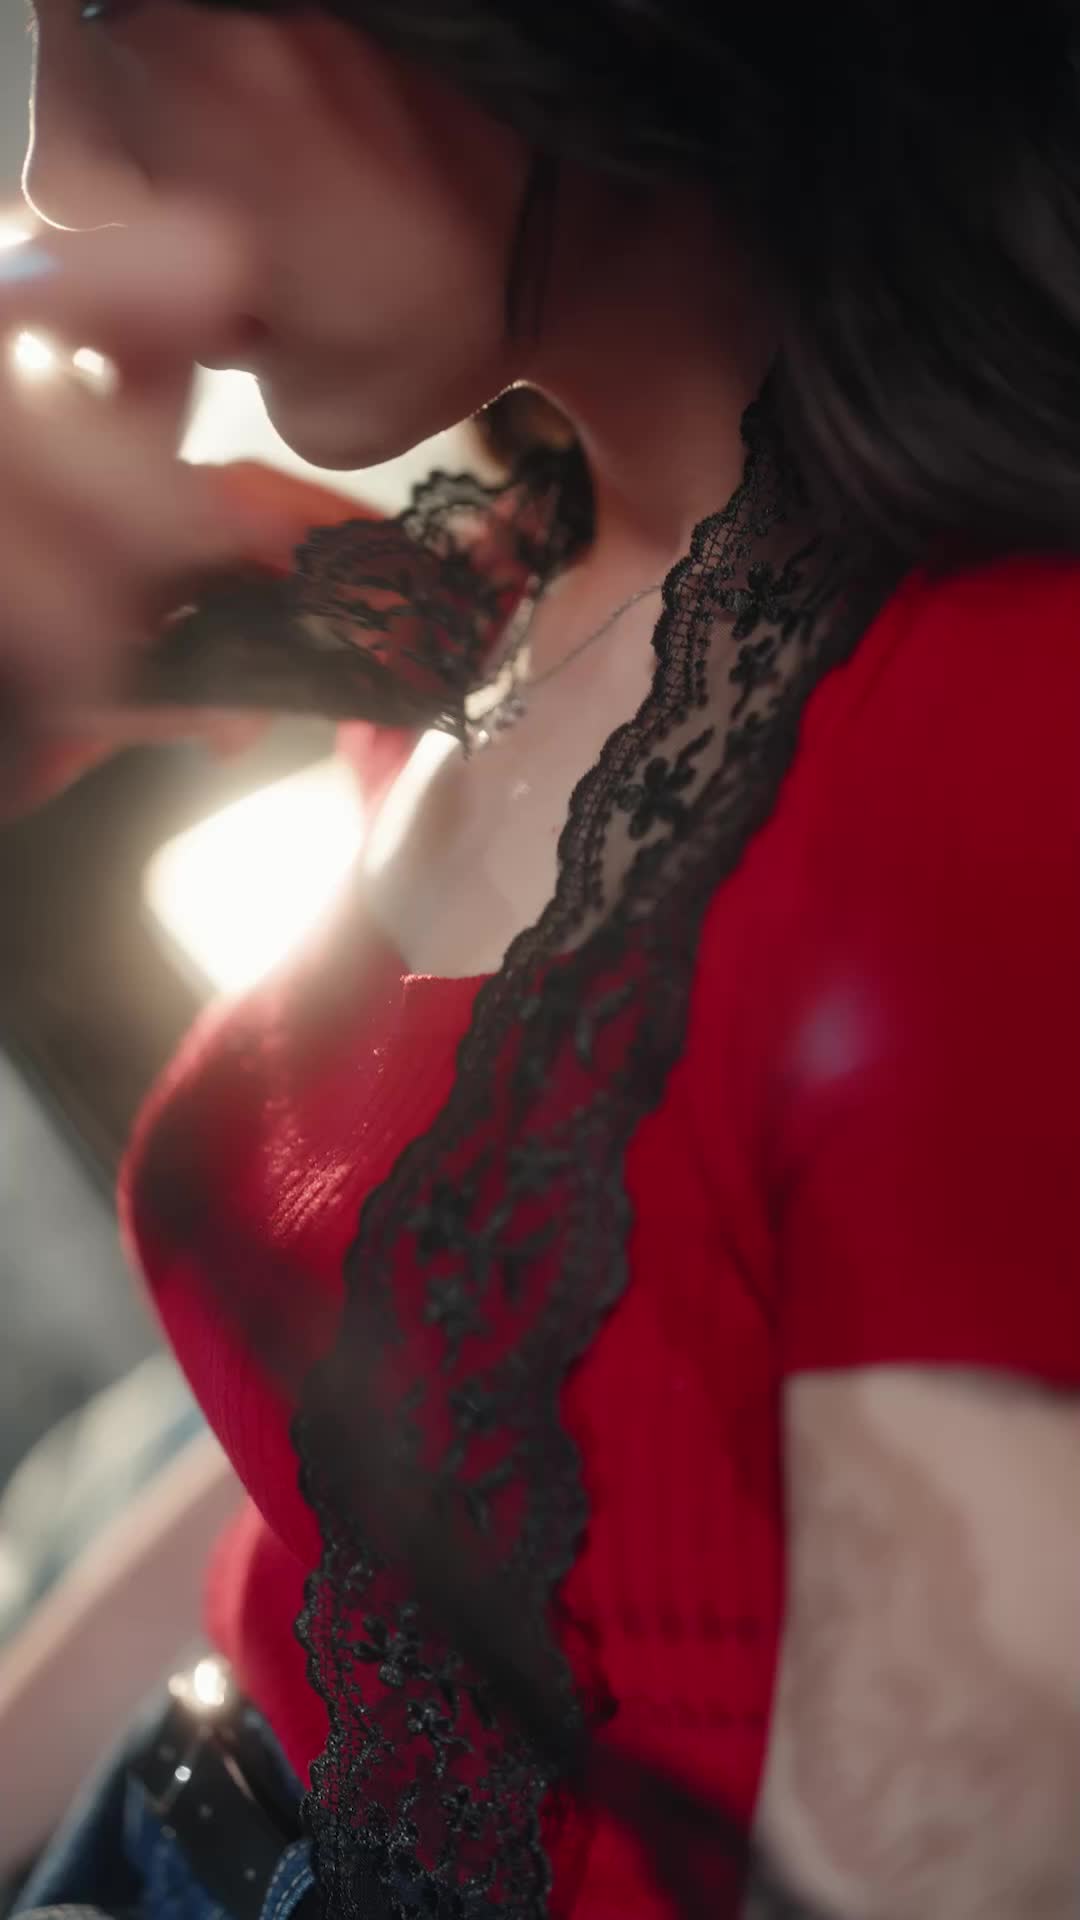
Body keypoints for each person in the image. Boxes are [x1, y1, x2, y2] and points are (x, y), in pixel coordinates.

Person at [1, 5, 1079, 1918]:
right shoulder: (508, 558)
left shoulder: (986, 770)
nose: (58, 189)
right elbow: (333, 1493)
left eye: (116, 8)